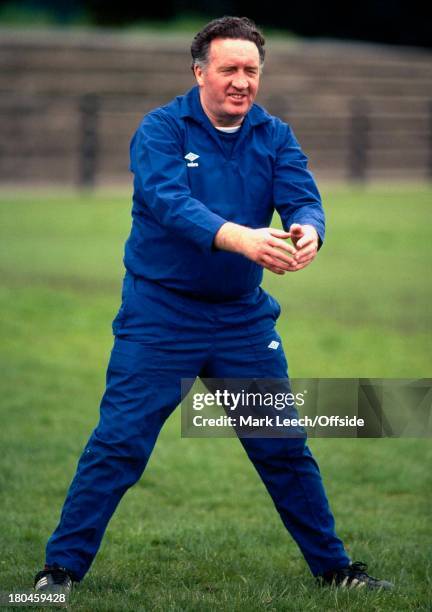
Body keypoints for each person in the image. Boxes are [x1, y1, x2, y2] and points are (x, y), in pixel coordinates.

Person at [34, 16, 393, 594]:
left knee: (282, 445)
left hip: (241, 319)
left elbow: (303, 196)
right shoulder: (160, 130)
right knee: (119, 443)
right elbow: (170, 202)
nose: (241, 81)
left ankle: (336, 572)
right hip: (160, 316)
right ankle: (57, 574)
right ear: (199, 71)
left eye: (251, 70)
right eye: (229, 69)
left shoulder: (274, 135)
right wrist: (242, 237)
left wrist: (308, 233)